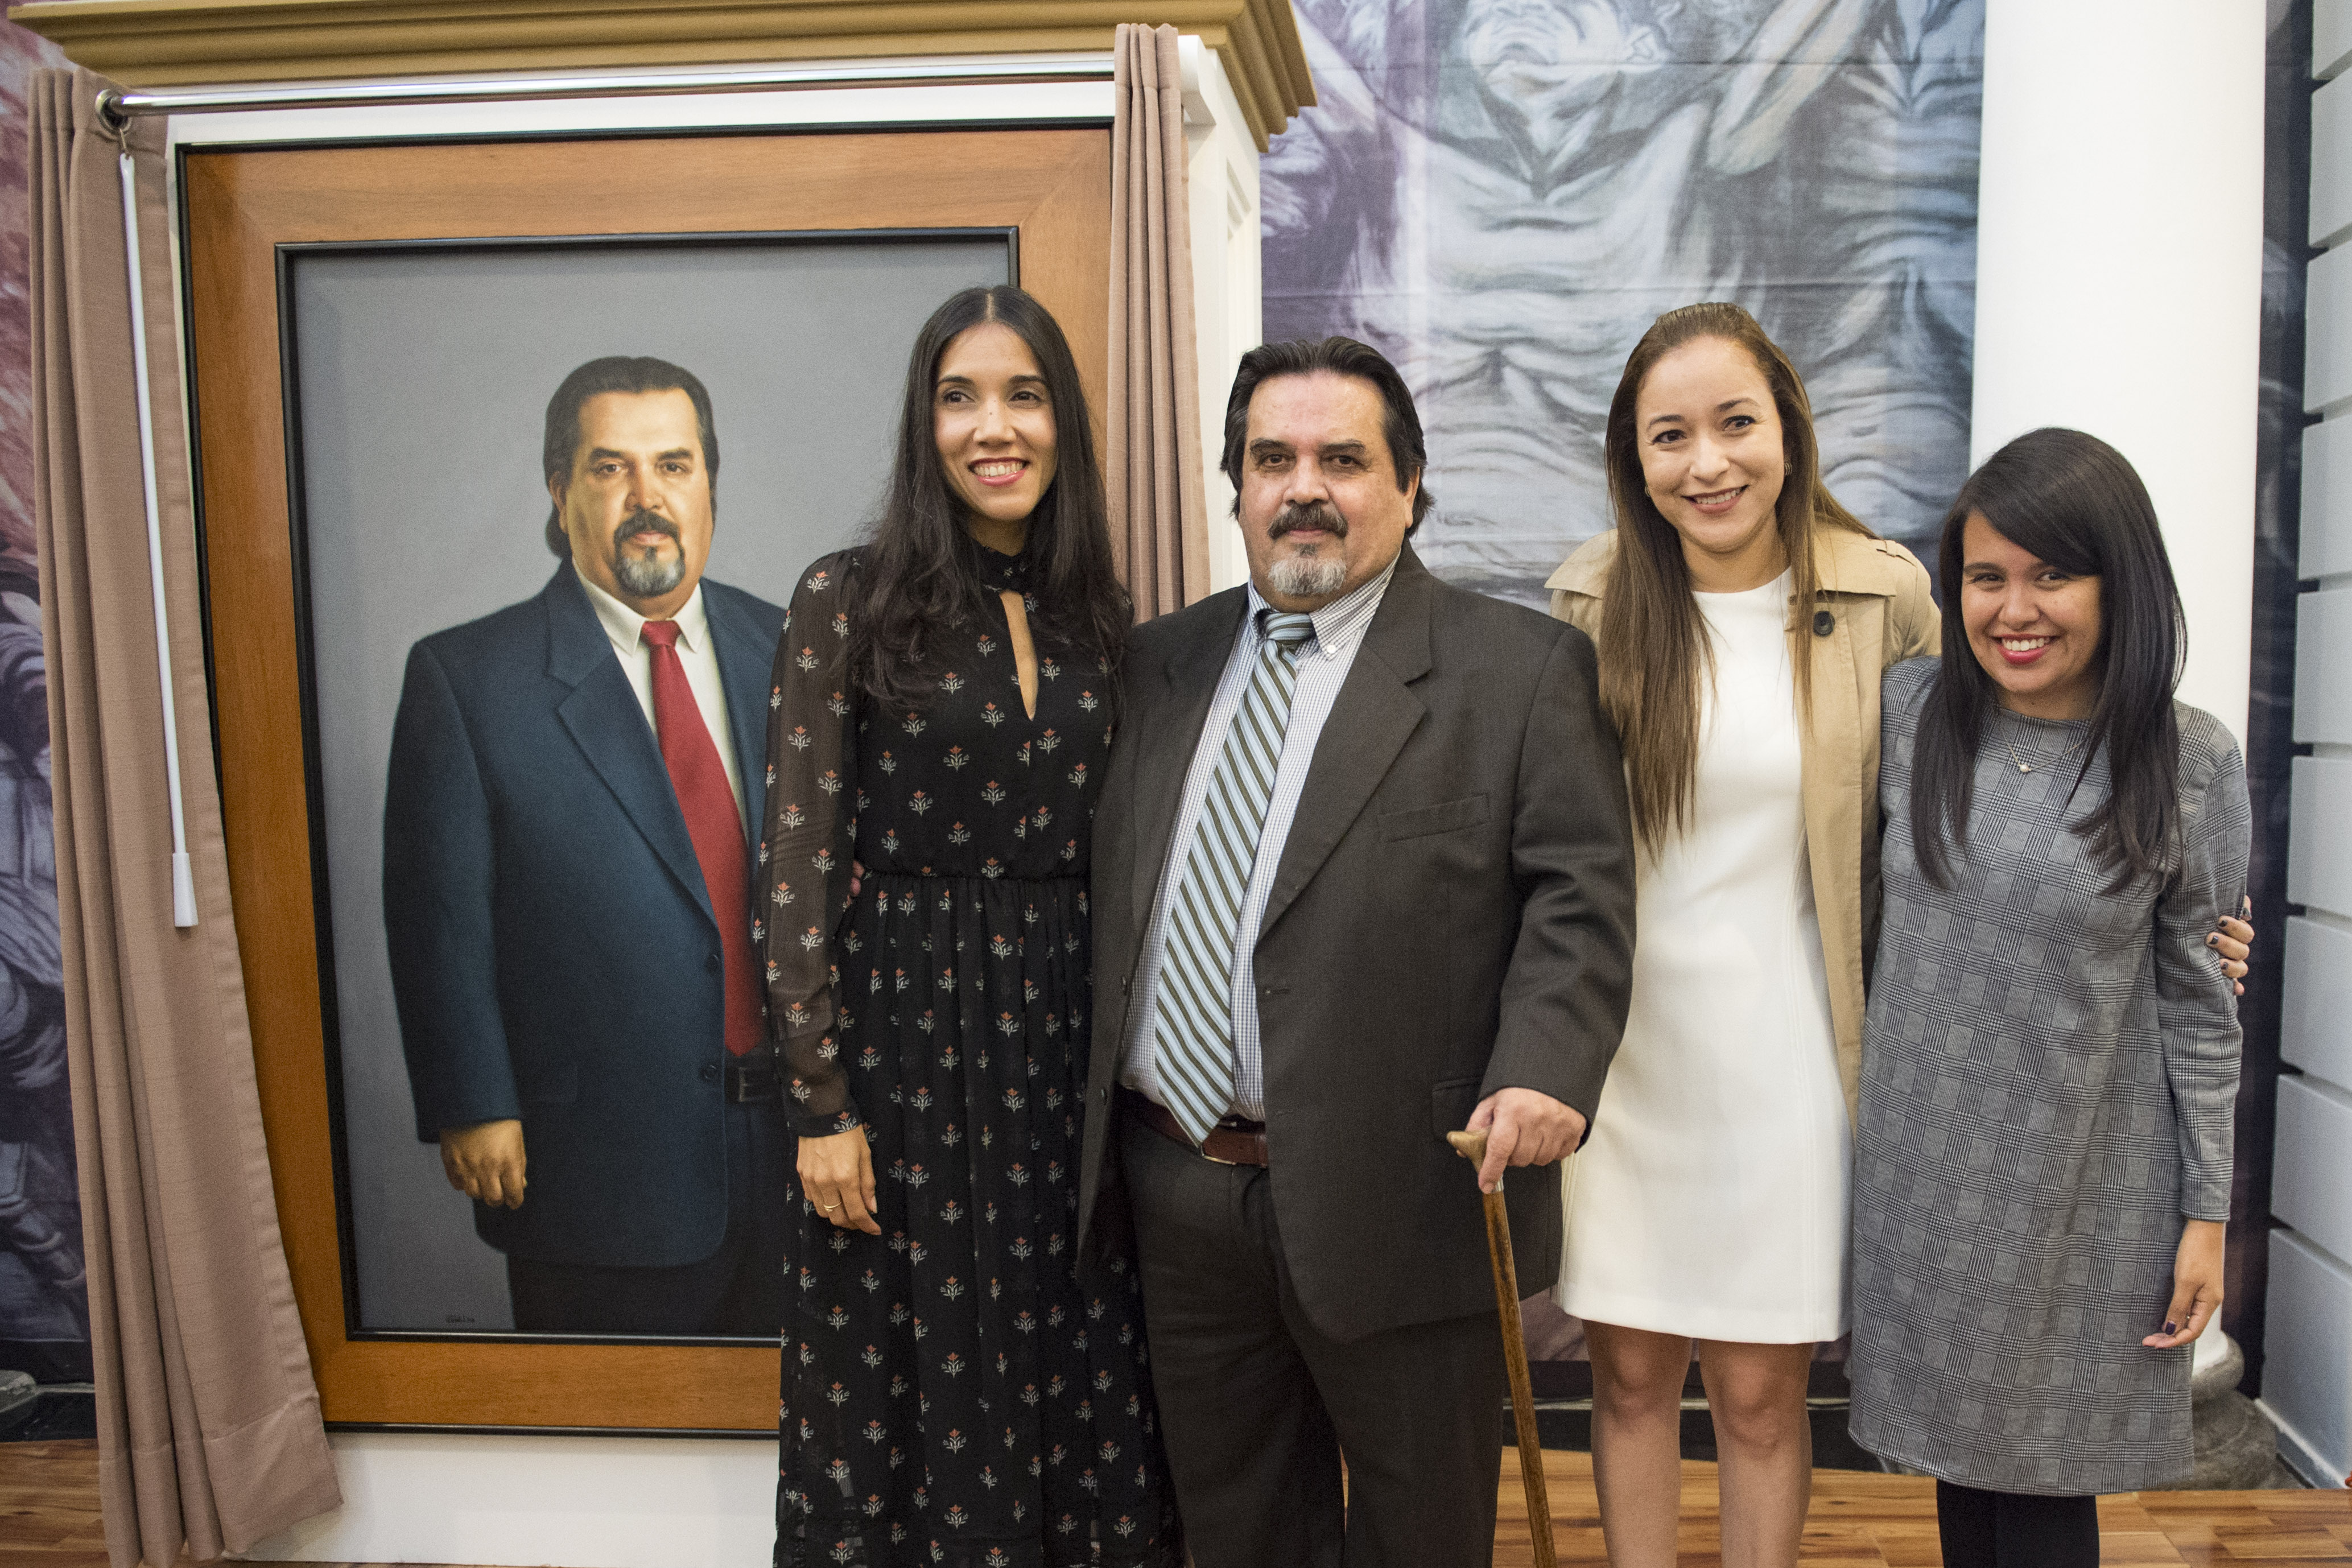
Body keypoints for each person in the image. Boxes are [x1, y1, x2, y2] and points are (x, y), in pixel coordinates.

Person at [1076, 335, 1638, 1568]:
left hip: (1410, 1193)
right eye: (1272, 459)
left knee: (1421, 1537)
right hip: (1181, 1189)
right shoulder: (1159, 665)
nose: (1304, 487)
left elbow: (1580, 898)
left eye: (1343, 457)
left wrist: (1545, 1063)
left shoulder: (1521, 670)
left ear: (1408, 485)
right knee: (1237, 1533)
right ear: (1236, 487)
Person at [761, 286, 1181, 1567]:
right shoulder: (847, 597)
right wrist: (823, 1105)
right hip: (902, 1062)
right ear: (923, 424)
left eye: (1024, 394)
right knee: (904, 1381)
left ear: (1064, 422)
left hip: (1068, 1056)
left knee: (1074, 1367)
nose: (992, 427)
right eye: (960, 397)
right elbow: (792, 870)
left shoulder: (1103, 616)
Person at [1545, 301, 1936, 1566]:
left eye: (1735, 424)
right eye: (1670, 436)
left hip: (1791, 1058)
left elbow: (1977, 805)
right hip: (1626, 1059)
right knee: (1630, 1383)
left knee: (1764, 1399)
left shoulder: (1887, 600)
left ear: (1787, 430)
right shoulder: (1587, 598)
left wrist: (2178, 909)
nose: (1706, 463)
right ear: (1634, 459)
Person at [1848, 428, 2250, 1567]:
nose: (2014, 608)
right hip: (1924, 1181)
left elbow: (2200, 1007)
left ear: (2121, 584)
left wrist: (2206, 1213)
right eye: (1986, 576)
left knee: (2040, 1486)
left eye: (2052, 575)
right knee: (1965, 1478)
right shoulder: (1912, 716)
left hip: (2084, 1186)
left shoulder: (2188, 760)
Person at [383, 355, 789, 1335]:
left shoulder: (790, 649)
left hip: (792, 1160)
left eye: (675, 466)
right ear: (559, 489)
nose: (647, 498)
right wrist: (471, 1102)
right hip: (595, 1172)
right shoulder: (467, 680)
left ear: (709, 485)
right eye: (610, 469)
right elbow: (439, 915)